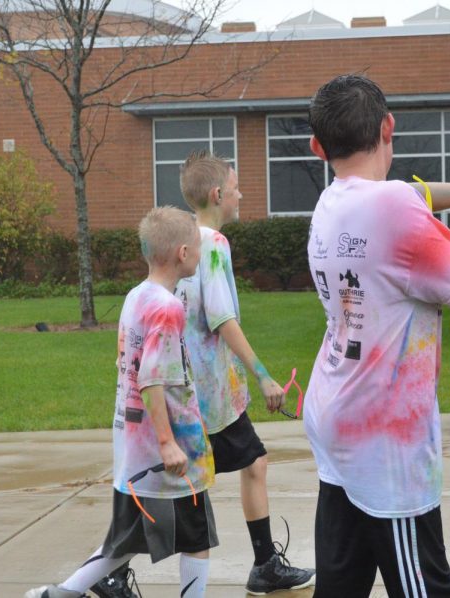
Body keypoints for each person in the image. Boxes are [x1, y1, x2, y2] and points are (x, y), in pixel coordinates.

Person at [303, 73, 450, 597]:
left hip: (336, 414)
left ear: (319, 146)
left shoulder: (331, 202)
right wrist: (449, 230)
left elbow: (406, 194)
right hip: (386, 441)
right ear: (389, 126)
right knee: (424, 587)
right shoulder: (396, 212)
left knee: (340, 584)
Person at [25, 206, 216, 598]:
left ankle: (59, 594)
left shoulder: (136, 297)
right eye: (196, 246)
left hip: (135, 447)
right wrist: (167, 442)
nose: (199, 253)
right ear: (182, 253)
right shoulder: (167, 307)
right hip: (166, 450)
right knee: (196, 536)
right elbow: (150, 377)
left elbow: (124, 363)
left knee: (127, 540)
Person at [175, 150, 316, 593]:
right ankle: (264, 567)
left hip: (186, 389)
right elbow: (221, 318)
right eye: (236, 189)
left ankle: (264, 564)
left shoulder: (181, 240)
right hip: (211, 394)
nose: (241, 195)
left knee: (248, 463)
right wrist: (262, 374)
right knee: (210, 479)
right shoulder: (213, 245)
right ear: (218, 194)